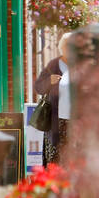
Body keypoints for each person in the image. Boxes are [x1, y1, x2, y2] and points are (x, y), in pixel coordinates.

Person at [35, 33, 74, 165]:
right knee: (56, 159)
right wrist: (49, 81)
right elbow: (39, 87)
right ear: (62, 48)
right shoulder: (54, 65)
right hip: (57, 121)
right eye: (67, 46)